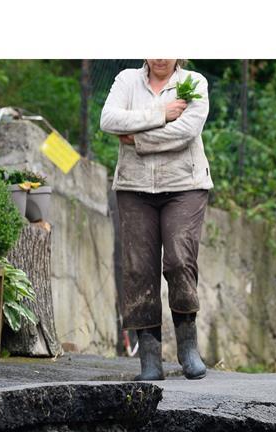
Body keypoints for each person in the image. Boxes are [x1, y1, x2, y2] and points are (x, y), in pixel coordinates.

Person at [100, 59, 213, 381]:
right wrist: (161, 114)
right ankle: (149, 359)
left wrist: (137, 139)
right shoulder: (126, 81)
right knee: (138, 269)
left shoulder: (195, 82)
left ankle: (188, 347)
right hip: (135, 188)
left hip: (184, 185)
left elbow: (187, 131)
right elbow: (109, 120)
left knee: (179, 260)